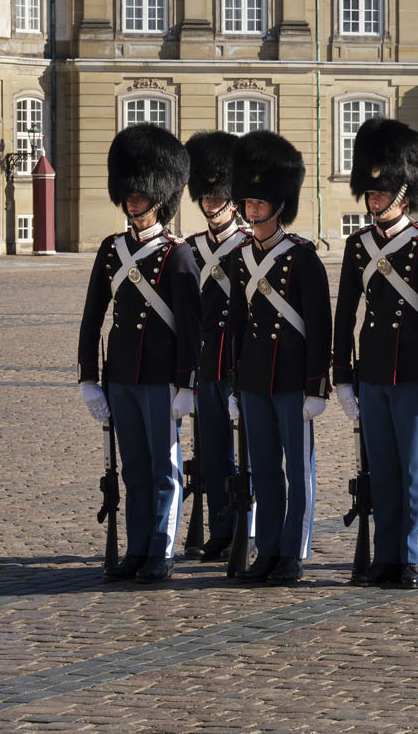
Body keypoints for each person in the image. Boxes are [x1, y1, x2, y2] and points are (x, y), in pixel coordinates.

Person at [331, 118, 418, 590]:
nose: (374, 199)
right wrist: (343, 375)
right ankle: (384, 554)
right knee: (380, 471)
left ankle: (411, 556)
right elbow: (346, 312)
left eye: (382, 193)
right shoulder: (358, 245)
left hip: (414, 375)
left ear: (404, 194)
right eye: (371, 192)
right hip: (375, 372)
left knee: (412, 472)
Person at [75, 124, 196, 582]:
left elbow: (190, 327)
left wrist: (187, 383)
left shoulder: (177, 254)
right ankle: (137, 547)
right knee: (134, 470)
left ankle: (160, 551)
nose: (132, 201)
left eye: (141, 195)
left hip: (161, 377)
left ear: (159, 198)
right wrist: (89, 378)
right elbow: (93, 316)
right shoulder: (112, 250)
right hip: (122, 374)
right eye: (129, 193)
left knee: (164, 470)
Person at [214, 130, 332, 585]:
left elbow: (320, 327)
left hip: (292, 381)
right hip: (256, 381)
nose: (252, 208)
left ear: (279, 204)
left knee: (297, 474)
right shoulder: (242, 258)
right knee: (262, 469)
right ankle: (266, 550)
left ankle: (292, 553)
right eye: (248, 201)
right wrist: (234, 384)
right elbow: (236, 325)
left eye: (261, 202)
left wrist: (316, 386)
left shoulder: (303, 258)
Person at [179, 129, 249, 563]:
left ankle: (250, 527)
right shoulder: (191, 248)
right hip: (207, 366)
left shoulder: (250, 246)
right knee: (211, 455)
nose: (209, 203)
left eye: (216, 195)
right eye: (205, 195)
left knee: (249, 454)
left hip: (240, 365)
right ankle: (222, 529)